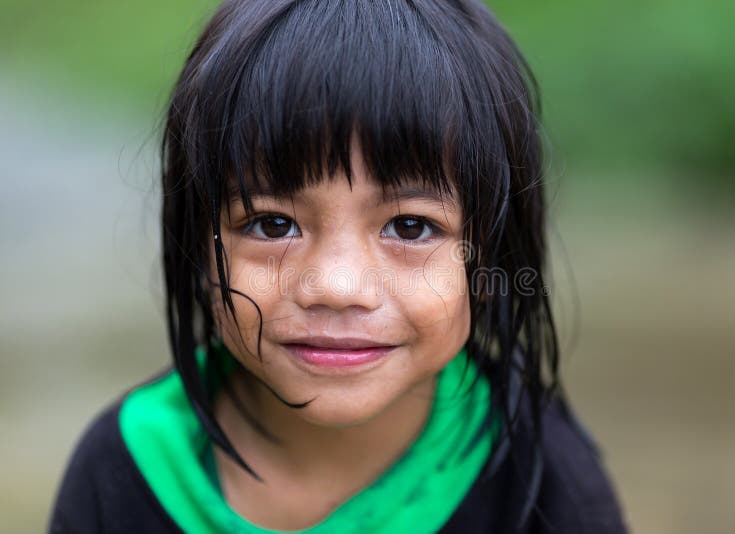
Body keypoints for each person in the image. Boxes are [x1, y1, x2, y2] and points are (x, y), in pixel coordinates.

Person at [49, 1, 627, 532]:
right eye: (272, 224)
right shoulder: (122, 472)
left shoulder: (546, 482)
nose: (336, 286)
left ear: (489, 257)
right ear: (198, 248)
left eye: (410, 226)